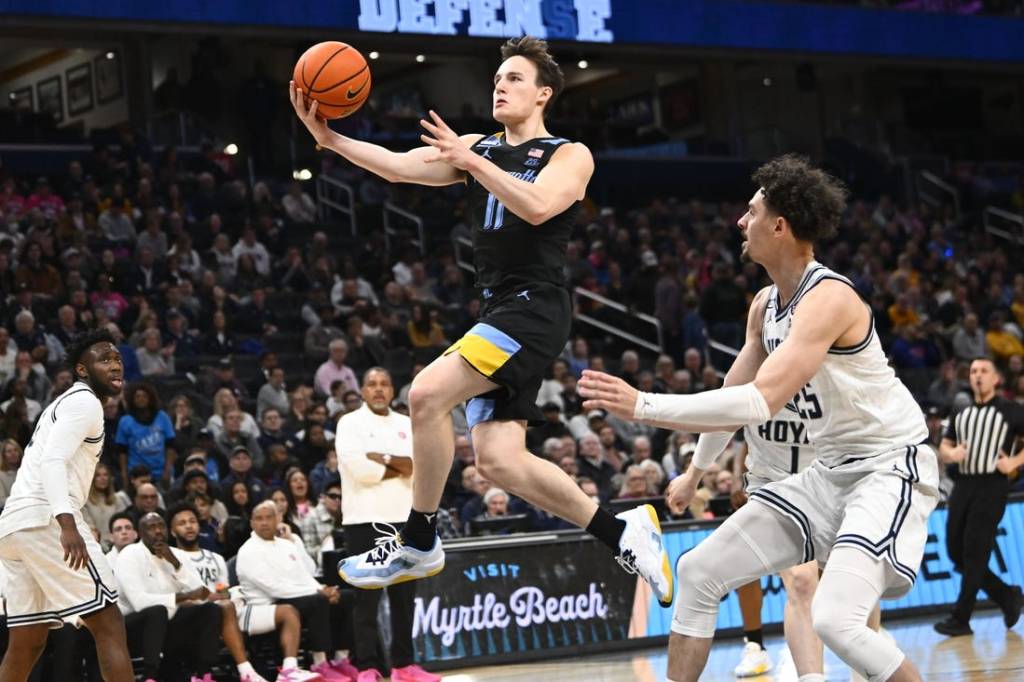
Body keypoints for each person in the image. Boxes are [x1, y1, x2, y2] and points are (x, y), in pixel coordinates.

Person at [296, 37, 670, 603]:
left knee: (424, 395)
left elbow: (541, 206)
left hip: (534, 306)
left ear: (543, 93)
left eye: (515, 78)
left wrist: (472, 161)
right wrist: (330, 139)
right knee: (499, 460)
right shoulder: (476, 146)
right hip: (499, 307)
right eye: (497, 78)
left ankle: (419, 538)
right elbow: (399, 169)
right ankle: (621, 530)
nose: (500, 85)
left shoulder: (570, 154)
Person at [578, 155, 939, 682]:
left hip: (887, 467)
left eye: (750, 212)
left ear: (780, 225)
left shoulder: (830, 297)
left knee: (837, 618)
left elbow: (758, 402)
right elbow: (733, 393)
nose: (739, 223)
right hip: (829, 473)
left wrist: (644, 405)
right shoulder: (765, 305)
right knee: (697, 571)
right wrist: (698, 472)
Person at [0, 330, 133, 682]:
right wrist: (67, 524)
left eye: (117, 358)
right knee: (109, 623)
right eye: (104, 359)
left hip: (14, 527)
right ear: (82, 369)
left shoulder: (61, 404)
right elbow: (53, 461)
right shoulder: (84, 401)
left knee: (26, 641)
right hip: (46, 518)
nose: (115, 363)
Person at [335, 367, 439, 682]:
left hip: (405, 518)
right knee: (366, 599)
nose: (378, 389)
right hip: (364, 519)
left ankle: (403, 666)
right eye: (371, 384)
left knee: (404, 598)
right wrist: (399, 463)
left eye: (384, 384)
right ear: (363, 390)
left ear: (393, 390)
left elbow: (418, 465)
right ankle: (367, 668)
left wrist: (378, 456)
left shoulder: (408, 424)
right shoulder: (349, 423)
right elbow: (359, 471)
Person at [168, 502, 319, 682]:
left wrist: (220, 596)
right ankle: (246, 672)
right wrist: (207, 598)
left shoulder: (215, 558)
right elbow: (175, 594)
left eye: (192, 521)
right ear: (172, 531)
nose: (188, 526)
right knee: (224, 607)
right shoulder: (170, 557)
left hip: (226, 612)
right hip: (190, 614)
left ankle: (281, 671)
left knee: (232, 605)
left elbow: (222, 592)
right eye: (182, 523)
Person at [934, 357, 1024, 636]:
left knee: (974, 552)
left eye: (984, 371)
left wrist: (1013, 463)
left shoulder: (1011, 410)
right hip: (963, 484)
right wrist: (951, 454)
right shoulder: (962, 414)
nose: (978, 376)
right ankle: (1007, 595)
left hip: (992, 485)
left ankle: (961, 618)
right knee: (954, 551)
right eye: (973, 371)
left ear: (996, 379)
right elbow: (944, 446)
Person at [237, 501, 356, 682]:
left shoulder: (287, 545)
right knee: (317, 601)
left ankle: (341, 660)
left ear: (278, 519)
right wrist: (317, 593)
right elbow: (273, 587)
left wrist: (323, 588)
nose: (264, 523)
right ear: (252, 523)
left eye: (269, 517)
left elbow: (306, 574)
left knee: (346, 597)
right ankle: (320, 663)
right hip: (267, 605)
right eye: (259, 519)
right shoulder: (248, 551)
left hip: (296, 596)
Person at [115, 511, 224, 681]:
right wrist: (182, 597)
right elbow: (139, 603)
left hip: (168, 626)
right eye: (151, 527)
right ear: (140, 533)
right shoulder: (129, 555)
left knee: (211, 610)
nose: (158, 531)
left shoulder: (175, 554)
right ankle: (149, 676)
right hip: (134, 628)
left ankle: (204, 675)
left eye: (161, 526)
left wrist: (175, 563)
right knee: (157, 611)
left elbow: (201, 593)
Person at [115, 382, 177, 488]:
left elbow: (171, 446)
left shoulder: (162, 417)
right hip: (137, 475)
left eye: (144, 396)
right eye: (137, 396)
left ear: (150, 398)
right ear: (132, 399)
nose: (141, 399)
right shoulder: (125, 421)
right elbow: (122, 452)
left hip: (160, 474)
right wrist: (125, 476)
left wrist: (167, 471)